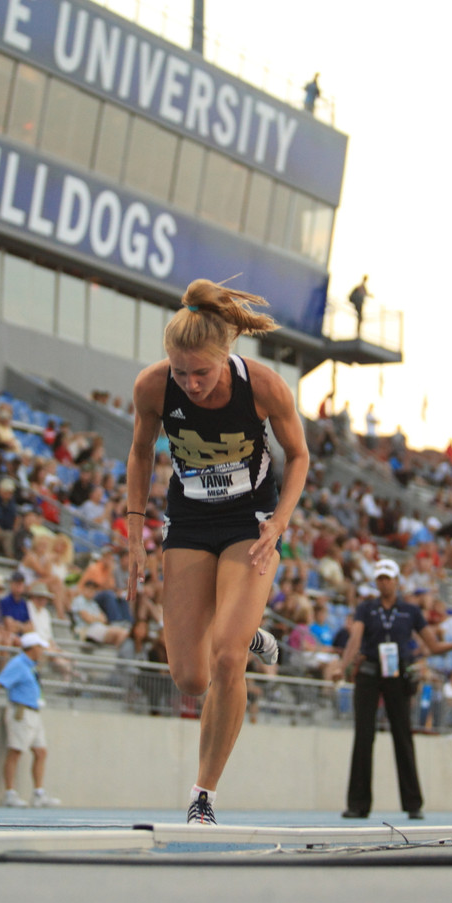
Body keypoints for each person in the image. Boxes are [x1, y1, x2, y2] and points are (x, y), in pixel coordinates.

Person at [126, 278, 309, 825]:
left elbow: (297, 456)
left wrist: (280, 521)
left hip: (249, 524)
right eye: (181, 373)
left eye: (200, 373)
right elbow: (139, 453)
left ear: (225, 357)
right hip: (188, 521)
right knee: (188, 676)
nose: (191, 384)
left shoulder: (265, 388)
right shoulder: (154, 388)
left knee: (227, 659)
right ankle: (248, 629)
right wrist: (134, 526)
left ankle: (202, 794)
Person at [336, 557, 452, 820]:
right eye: (380, 578)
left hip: (398, 674)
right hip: (370, 672)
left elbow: (433, 646)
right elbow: (355, 638)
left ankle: (413, 804)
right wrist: (343, 665)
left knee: (403, 736)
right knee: (363, 736)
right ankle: (358, 804)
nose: (384, 582)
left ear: (397, 580)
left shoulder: (411, 611)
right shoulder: (366, 608)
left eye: (388, 577)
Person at [0, 631, 60, 807]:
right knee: (15, 750)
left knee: (41, 752)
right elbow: (0, 682)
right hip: (21, 712)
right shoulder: (18, 664)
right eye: (39, 648)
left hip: (34, 712)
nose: (42, 651)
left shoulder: (30, 666)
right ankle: (10, 793)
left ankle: (38, 793)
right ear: (32, 648)